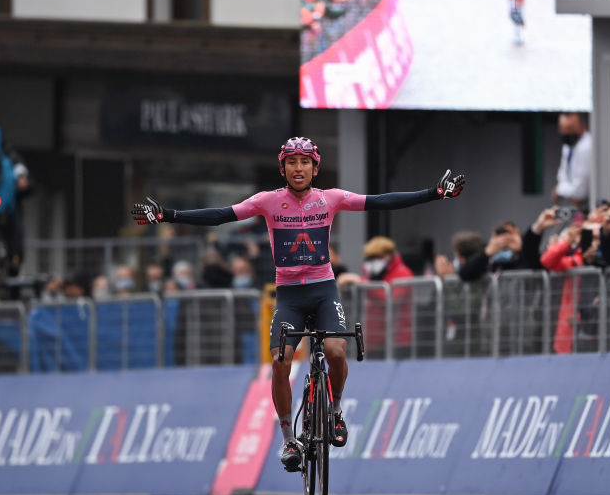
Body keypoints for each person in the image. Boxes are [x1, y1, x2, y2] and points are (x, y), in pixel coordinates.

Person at [132, 136, 464, 473]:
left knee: (335, 351)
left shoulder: (330, 199)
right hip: (289, 295)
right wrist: (166, 214)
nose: (298, 168)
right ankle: (289, 438)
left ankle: (334, 413)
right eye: (292, 162)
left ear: (315, 168)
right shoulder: (268, 201)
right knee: (281, 360)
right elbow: (221, 215)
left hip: (324, 291)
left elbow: (381, 201)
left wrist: (433, 193)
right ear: (283, 168)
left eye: (305, 162)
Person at [553, 112, 591, 208]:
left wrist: (560, 190)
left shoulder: (587, 146)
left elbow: (580, 192)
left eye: (570, 129)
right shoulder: (567, 146)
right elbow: (561, 175)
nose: (566, 133)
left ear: (583, 127)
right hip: (572, 206)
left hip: (588, 205)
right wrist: (566, 190)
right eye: (562, 129)